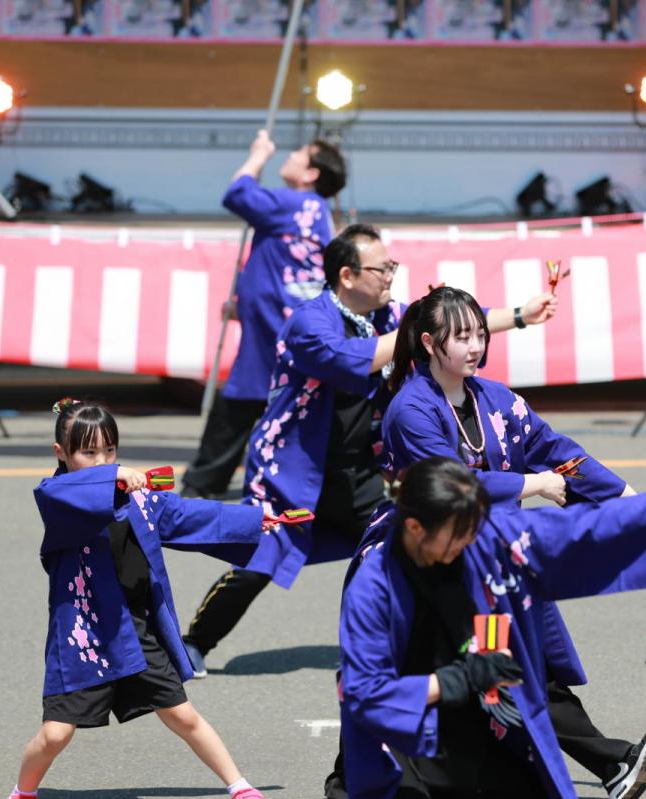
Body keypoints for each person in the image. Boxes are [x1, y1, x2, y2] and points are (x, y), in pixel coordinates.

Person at [182, 225, 558, 676]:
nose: (390, 277)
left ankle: (425, 645)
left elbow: (448, 325)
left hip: (360, 471)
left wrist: (520, 314)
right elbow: (351, 358)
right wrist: (416, 332)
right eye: (382, 268)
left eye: (392, 267)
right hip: (294, 471)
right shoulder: (309, 322)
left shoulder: (387, 316)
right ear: (347, 275)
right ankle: (194, 642)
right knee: (263, 559)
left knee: (404, 544)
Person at [381, 286, 646, 799]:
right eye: (460, 336)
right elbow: (448, 483)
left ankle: (611, 762)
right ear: (427, 342)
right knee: (481, 669)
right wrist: (531, 484)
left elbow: (557, 451)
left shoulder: (494, 397)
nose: (474, 346)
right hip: (429, 563)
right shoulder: (411, 410)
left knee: (509, 664)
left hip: (489, 557)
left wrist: (624, 497)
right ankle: (611, 761)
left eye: (479, 334)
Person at [339, 456, 646, 799]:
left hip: (491, 717)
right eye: (458, 534)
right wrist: (454, 681)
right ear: (414, 529)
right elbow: (365, 691)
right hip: (408, 731)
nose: (470, 539)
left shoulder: (486, 536)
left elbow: (582, 529)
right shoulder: (373, 584)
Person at [9, 399, 284, 799]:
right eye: (88, 452)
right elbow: (61, 491)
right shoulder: (58, 497)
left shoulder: (139, 498)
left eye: (110, 451)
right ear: (61, 454)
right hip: (82, 633)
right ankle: (23, 792)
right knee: (55, 733)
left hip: (133, 628)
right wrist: (116, 474)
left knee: (181, 713)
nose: (102, 460)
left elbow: (193, 516)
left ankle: (239, 786)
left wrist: (254, 520)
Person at [182, 129, 347, 500]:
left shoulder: (295, 203)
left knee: (244, 395)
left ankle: (203, 482)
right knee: (285, 398)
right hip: (283, 316)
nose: (290, 155)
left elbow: (237, 193)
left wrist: (258, 155)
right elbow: (281, 262)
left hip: (277, 323)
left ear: (311, 174)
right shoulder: (314, 211)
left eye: (301, 153)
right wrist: (247, 300)